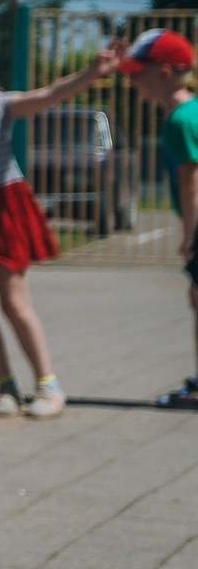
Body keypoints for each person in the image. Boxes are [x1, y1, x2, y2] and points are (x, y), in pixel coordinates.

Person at [0, 26, 121, 418]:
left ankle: (47, 385)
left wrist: (92, 73)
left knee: (13, 301)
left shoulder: (1, 105)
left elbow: (50, 95)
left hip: (1, 204)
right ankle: (5, 385)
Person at [122, 29, 198, 407]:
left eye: (137, 72)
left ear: (163, 72)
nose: (131, 80)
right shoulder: (193, 111)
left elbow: (191, 181)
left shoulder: (179, 121)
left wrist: (189, 235)